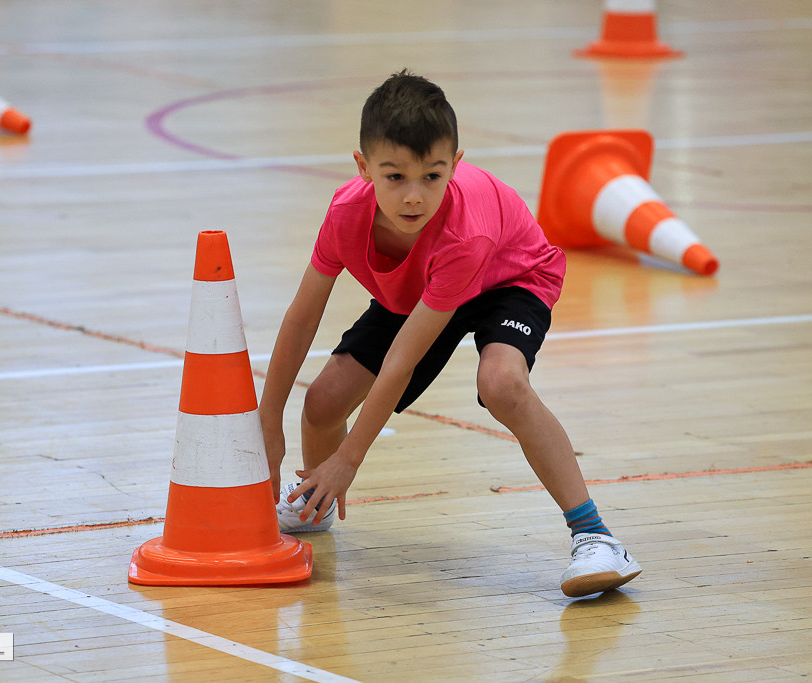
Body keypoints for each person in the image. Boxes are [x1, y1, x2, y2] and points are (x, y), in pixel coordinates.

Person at [258, 69, 641, 597]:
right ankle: (315, 501)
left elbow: (402, 360)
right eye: (395, 177)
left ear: (455, 166)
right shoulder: (346, 214)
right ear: (363, 168)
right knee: (323, 401)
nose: (414, 197)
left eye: (432, 177)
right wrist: (268, 421)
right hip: (424, 285)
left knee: (502, 383)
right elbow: (302, 317)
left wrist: (348, 459)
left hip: (509, 277)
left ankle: (595, 536)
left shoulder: (465, 231)